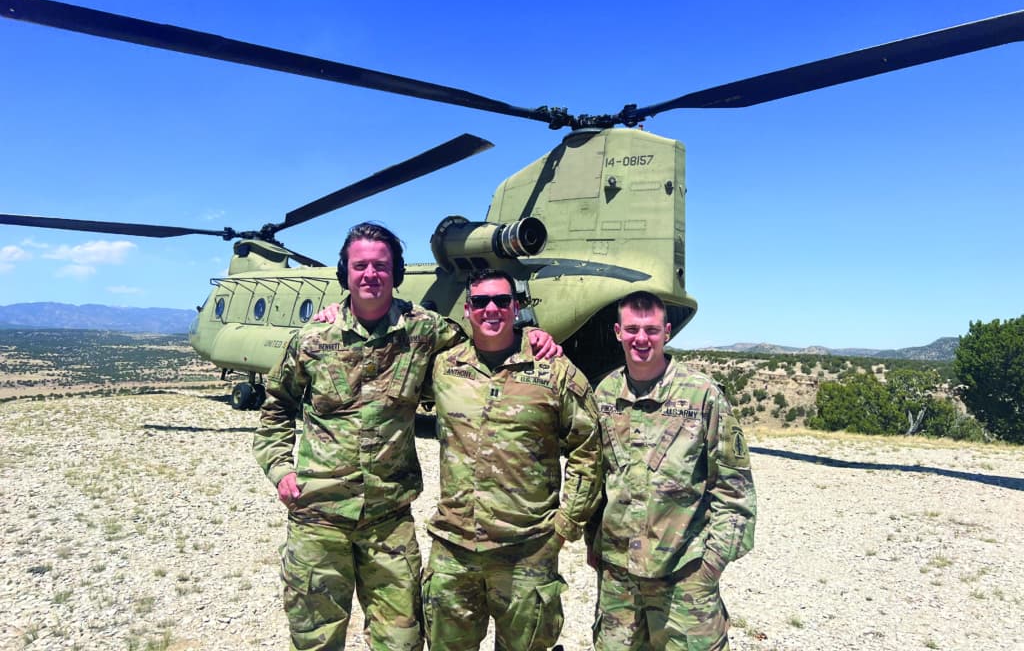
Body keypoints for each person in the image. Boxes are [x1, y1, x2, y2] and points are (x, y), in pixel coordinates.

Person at [252, 224, 559, 651]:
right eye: (360, 266)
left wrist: (531, 338)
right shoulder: (312, 339)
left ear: (395, 272)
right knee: (314, 640)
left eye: (381, 265)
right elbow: (276, 408)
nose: (371, 274)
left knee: (401, 641)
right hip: (317, 519)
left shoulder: (425, 331)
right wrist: (281, 469)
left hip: (388, 522)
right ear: (346, 273)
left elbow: (484, 343)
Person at [421, 268, 602, 651]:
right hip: (454, 549)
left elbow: (589, 447)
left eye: (502, 301)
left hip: (527, 551)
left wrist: (566, 525)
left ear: (516, 307)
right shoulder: (444, 366)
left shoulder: (553, 371)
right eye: (481, 302)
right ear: (468, 309)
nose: (491, 309)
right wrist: (338, 312)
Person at [587, 291, 757, 651]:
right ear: (618, 332)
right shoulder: (605, 395)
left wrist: (710, 566)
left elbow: (735, 491)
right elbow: (597, 478)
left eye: (651, 330)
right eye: (632, 329)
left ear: (666, 332)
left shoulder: (702, 396)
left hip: (685, 574)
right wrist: (594, 544)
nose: (641, 339)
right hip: (619, 578)